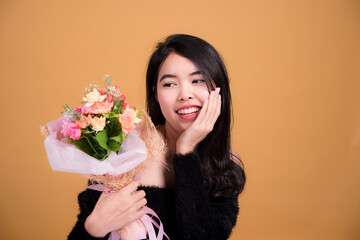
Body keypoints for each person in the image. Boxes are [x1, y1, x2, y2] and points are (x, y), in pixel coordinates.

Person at [68, 34, 246, 239]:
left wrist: (185, 151)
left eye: (198, 80)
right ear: (155, 94)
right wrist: (94, 227)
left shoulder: (225, 165)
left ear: (218, 90)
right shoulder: (123, 152)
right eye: (169, 84)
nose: (185, 94)